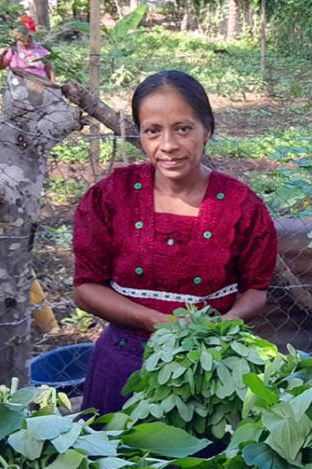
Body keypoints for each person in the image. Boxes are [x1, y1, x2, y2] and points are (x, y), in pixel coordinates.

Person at [74, 70, 278, 414]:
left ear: (207, 130)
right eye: (153, 131)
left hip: (211, 368)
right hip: (123, 367)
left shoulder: (241, 206)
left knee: (201, 448)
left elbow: (256, 291)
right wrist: (154, 321)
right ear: (140, 135)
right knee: (116, 445)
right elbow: (85, 289)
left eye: (183, 129)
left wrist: (225, 324)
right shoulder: (112, 197)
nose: (168, 145)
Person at [0, 14, 55, 82]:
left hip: (40, 83)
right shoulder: (12, 50)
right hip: (18, 84)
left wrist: (53, 82)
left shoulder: (41, 50)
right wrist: (1, 56)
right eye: (22, 40)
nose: (26, 43)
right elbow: (1, 67)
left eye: (29, 40)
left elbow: (49, 69)